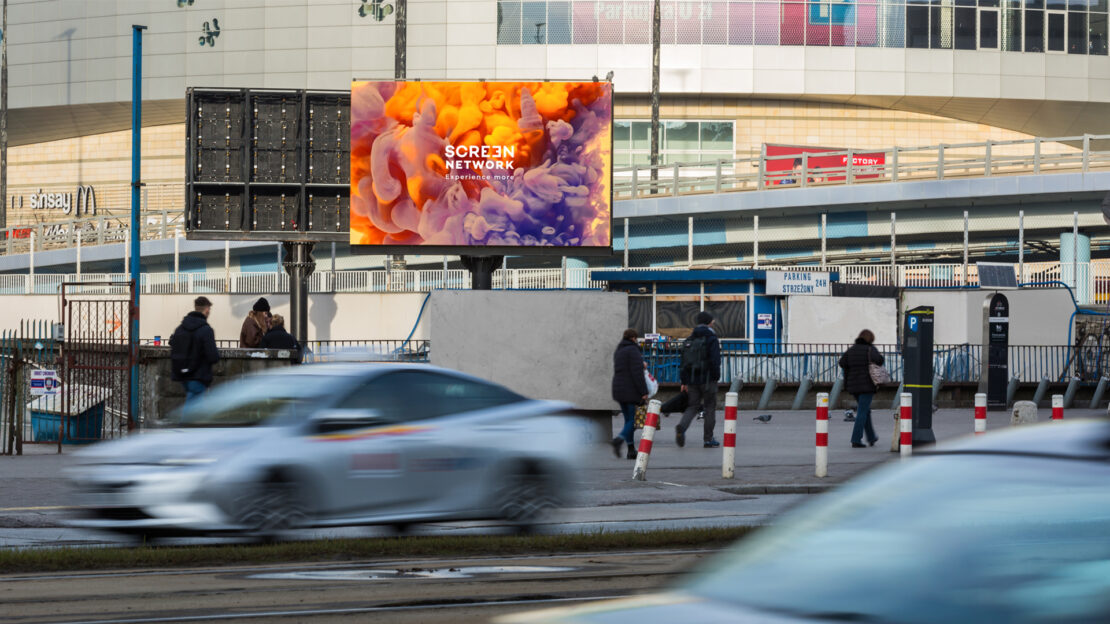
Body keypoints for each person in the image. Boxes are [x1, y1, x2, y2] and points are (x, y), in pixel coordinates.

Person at [676, 311, 722, 448]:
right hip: (708, 380)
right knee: (709, 408)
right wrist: (715, 376)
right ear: (709, 322)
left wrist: (684, 381)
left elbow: (683, 362)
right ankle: (708, 439)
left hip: (692, 380)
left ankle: (682, 427)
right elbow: (715, 360)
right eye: (712, 321)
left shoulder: (690, 339)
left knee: (692, 406)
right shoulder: (711, 338)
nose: (713, 323)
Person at [839, 329, 885, 448]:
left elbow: (842, 362)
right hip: (867, 385)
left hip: (853, 386)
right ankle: (856, 439)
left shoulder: (851, 350)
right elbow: (880, 361)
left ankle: (871, 437)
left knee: (865, 411)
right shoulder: (870, 349)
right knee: (862, 412)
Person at [169, 296, 220, 403]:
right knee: (192, 411)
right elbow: (213, 356)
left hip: (183, 376)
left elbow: (173, 343)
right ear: (206, 310)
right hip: (199, 376)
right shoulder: (206, 330)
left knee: (196, 409)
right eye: (209, 309)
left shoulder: (181, 328)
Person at [611, 328, 649, 460]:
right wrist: (644, 392)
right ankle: (619, 440)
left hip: (618, 389)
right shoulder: (633, 350)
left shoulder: (619, 350)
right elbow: (637, 373)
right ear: (633, 338)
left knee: (628, 420)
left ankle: (631, 450)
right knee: (631, 420)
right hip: (630, 390)